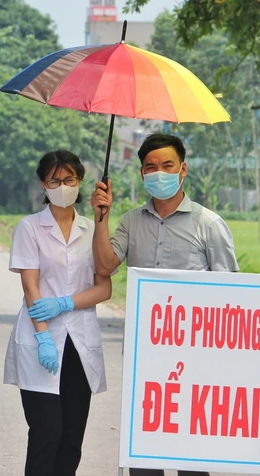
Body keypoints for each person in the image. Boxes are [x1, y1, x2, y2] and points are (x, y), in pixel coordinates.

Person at [91, 133, 239, 476]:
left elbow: (231, 293)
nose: (159, 173)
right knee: (144, 454)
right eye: (151, 167)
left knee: (190, 455)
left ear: (183, 169)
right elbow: (104, 266)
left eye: (167, 165)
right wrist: (101, 217)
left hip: (195, 358)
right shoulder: (130, 221)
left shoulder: (209, 224)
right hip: (146, 354)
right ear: (142, 174)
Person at [4, 150, 111, 476]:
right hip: (41, 342)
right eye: (55, 180)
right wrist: (44, 336)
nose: (62, 186)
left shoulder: (93, 229)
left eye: (69, 180)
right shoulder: (30, 228)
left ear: (80, 183)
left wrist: (66, 303)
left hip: (79, 342)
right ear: (43, 184)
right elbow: (31, 288)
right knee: (46, 433)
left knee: (70, 439)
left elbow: (104, 288)